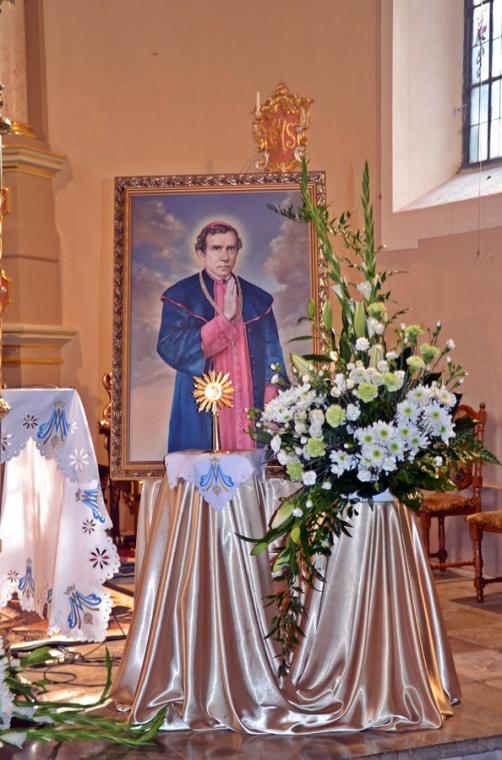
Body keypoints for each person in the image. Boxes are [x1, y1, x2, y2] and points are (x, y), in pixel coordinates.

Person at [157, 220, 285, 452]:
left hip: (248, 402)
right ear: (201, 252)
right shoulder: (181, 295)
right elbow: (169, 346)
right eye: (216, 248)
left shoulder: (258, 298)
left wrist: (272, 406)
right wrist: (223, 321)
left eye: (231, 249)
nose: (225, 257)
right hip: (200, 407)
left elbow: (272, 356)